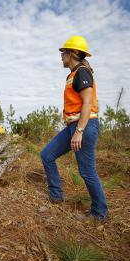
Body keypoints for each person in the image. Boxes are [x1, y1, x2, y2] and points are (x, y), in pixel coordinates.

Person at [40, 35, 108, 220]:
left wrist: (79, 131)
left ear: (71, 54)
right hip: (73, 126)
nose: (61, 56)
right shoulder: (71, 75)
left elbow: (87, 103)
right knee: (47, 155)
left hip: (84, 127)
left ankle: (99, 213)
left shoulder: (82, 72)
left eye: (63, 53)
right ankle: (56, 196)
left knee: (87, 171)